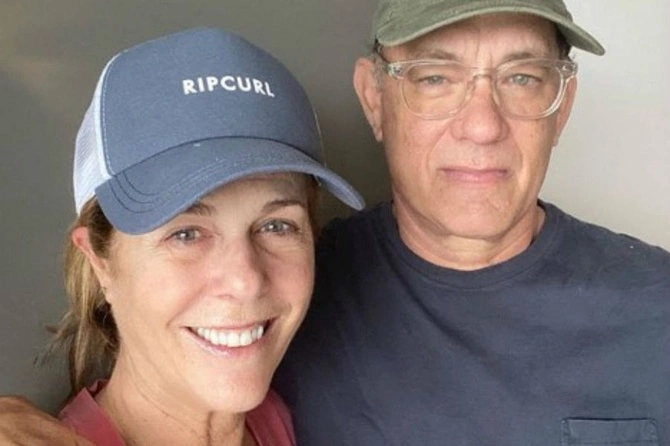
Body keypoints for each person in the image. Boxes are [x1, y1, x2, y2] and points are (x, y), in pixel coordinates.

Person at [1, 1, 669, 445]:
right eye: (434, 77)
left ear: (563, 102)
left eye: (522, 77)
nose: (482, 125)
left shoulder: (274, 405)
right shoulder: (298, 315)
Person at [0, 27, 363, 446]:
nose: (245, 280)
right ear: (100, 262)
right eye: (186, 234)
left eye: (276, 226)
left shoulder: (290, 412)